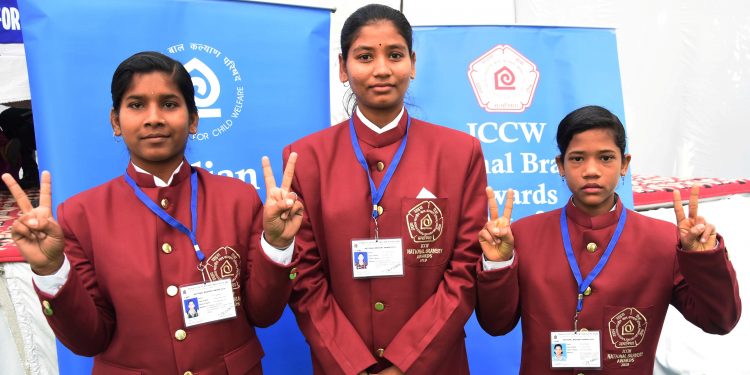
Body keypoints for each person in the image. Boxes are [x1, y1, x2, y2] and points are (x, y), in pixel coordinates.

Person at [1, 51, 304, 374]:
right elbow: (88, 340)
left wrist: (277, 244)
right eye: (136, 105)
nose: (154, 117)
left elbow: (264, 314)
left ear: (193, 120)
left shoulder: (238, 200)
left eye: (170, 104)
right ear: (115, 121)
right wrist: (50, 269)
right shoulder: (81, 215)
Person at [285, 4, 487, 374]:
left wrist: (405, 362)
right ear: (343, 68)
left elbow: (465, 269)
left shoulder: (460, 153)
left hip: (435, 365)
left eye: (394, 55)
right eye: (365, 57)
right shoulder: (305, 159)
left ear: (412, 63)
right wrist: (352, 363)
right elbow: (305, 277)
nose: (381, 69)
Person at [476, 105, 741, 374]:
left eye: (605, 158)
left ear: (624, 164)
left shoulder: (663, 241)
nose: (591, 170)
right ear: (560, 166)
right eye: (577, 158)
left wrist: (703, 258)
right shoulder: (524, 235)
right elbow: (496, 324)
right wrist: (498, 264)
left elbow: (720, 321)